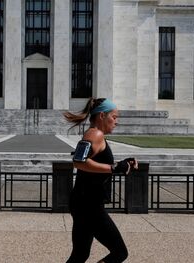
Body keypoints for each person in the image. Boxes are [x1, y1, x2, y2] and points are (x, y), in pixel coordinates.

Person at [63, 97, 138, 263]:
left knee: (80, 254)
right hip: (89, 205)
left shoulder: (95, 135)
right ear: (102, 115)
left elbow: (94, 162)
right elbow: (78, 161)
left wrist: (122, 164)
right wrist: (112, 168)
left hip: (83, 201)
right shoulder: (95, 134)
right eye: (114, 117)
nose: (116, 121)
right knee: (119, 252)